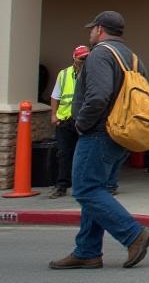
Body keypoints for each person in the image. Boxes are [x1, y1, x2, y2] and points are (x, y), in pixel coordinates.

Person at [48, 11, 149, 270]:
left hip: (98, 132)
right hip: (122, 133)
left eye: (92, 29)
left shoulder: (100, 54)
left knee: (85, 189)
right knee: (95, 189)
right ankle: (87, 251)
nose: (90, 33)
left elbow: (98, 96)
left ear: (99, 29)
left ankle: (133, 234)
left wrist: (81, 124)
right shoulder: (132, 58)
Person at [47, 45, 90, 198]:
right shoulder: (64, 74)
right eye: (81, 58)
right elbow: (55, 96)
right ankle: (62, 185)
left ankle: (82, 186)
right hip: (65, 120)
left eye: (87, 58)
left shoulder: (92, 74)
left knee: (84, 155)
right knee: (64, 154)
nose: (84, 61)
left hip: (83, 120)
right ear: (74, 58)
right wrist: (54, 115)